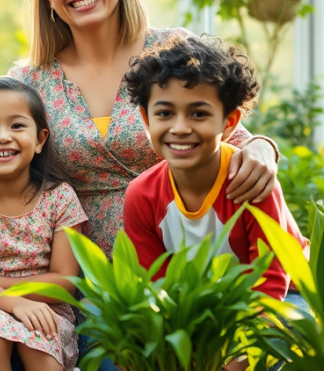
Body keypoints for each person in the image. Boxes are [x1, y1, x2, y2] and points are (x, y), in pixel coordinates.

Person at [9, 0, 282, 259]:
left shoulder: (173, 49)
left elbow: (229, 132)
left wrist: (262, 148)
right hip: (86, 275)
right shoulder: (28, 83)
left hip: (194, 255)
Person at [122, 34, 309, 301]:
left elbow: (270, 285)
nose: (180, 128)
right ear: (146, 119)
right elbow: (155, 289)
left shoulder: (251, 181)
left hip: (290, 291)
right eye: (164, 113)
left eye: (199, 113)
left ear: (230, 122)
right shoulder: (141, 195)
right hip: (211, 301)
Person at [0, 77, 87, 371]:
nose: (2, 137)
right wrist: (14, 302)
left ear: (40, 139)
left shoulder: (59, 198)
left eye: (17, 126)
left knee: (39, 334)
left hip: (49, 308)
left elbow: (63, 281)